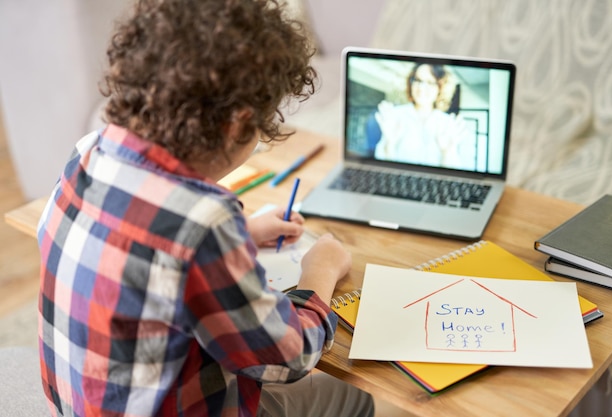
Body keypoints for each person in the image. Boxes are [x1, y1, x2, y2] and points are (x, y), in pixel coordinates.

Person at [36, 0, 374, 416]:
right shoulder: (203, 223)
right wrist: (318, 271)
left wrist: (243, 234)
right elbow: (288, 357)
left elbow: (135, 249)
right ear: (237, 124)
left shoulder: (88, 154)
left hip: (80, 407)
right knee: (352, 399)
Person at [373, 63, 476, 170]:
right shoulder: (395, 116)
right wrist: (390, 142)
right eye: (417, 80)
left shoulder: (447, 123)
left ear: (440, 87)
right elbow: (383, 168)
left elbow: (454, 177)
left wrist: (447, 151)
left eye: (430, 82)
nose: (421, 87)